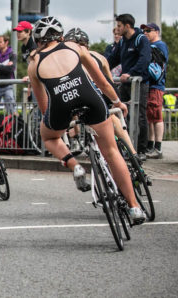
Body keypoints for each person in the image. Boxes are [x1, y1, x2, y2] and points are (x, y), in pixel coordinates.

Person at [26, 16, 145, 224]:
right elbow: (103, 82)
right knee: (111, 151)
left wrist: (60, 123)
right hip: (90, 98)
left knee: (48, 136)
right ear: (61, 36)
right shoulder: (75, 47)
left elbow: (44, 106)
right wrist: (117, 102)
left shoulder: (34, 64)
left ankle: (75, 166)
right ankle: (134, 207)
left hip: (61, 104)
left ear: (37, 41)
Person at [63, 28, 142, 167]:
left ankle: (90, 148)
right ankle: (133, 154)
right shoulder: (100, 57)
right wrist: (116, 101)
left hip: (85, 96)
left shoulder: (69, 58)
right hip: (105, 93)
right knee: (113, 118)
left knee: (92, 121)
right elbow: (109, 82)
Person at [105, 13, 151, 160]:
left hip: (139, 83)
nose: (116, 28)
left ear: (127, 26)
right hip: (125, 83)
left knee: (140, 116)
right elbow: (113, 59)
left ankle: (142, 150)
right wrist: (100, 68)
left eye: (119, 26)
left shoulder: (141, 39)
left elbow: (145, 59)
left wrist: (131, 73)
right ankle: (123, 146)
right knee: (115, 111)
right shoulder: (123, 42)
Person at [141, 23, 168, 159]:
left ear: (156, 32)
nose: (145, 33)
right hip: (150, 85)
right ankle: (150, 145)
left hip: (156, 86)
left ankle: (158, 147)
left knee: (156, 116)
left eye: (148, 30)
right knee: (150, 116)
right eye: (144, 31)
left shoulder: (160, 46)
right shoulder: (152, 46)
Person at [0, 34, 17, 116]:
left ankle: (16, 126)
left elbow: (11, 69)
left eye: (0, 42)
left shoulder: (12, 54)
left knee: (12, 109)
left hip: (8, 85)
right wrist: (5, 66)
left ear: (6, 42)